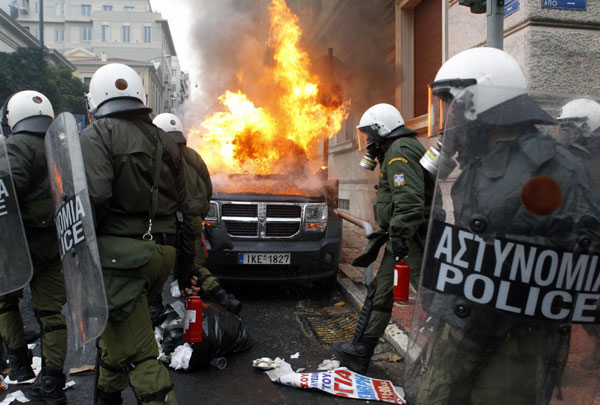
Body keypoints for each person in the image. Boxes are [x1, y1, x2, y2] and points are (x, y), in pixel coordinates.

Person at [404, 47, 600, 404]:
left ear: (478, 101)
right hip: (461, 326)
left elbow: (577, 253)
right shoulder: (483, 160)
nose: (446, 117)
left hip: (514, 340)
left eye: (450, 103)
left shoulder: (551, 167)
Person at [80, 63, 197, 405]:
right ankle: (106, 398)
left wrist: (88, 247)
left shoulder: (98, 134)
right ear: (139, 96)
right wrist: (186, 269)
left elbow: (97, 197)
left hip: (122, 258)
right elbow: (184, 212)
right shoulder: (165, 140)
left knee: (141, 353)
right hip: (163, 254)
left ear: (96, 99)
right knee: (119, 330)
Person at [331, 103, 435, 374]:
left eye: (369, 134)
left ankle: (448, 353)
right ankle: (361, 350)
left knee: (432, 296)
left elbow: (410, 201)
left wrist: (400, 236)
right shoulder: (397, 150)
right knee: (381, 290)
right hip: (404, 234)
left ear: (382, 129)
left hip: (412, 236)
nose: (368, 141)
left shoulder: (399, 152)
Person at [0, 90, 68, 403]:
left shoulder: (18, 145)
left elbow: (7, 185)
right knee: (51, 313)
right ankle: (53, 380)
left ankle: (20, 365)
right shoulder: (61, 144)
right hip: (54, 242)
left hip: (18, 244)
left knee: (6, 300)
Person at [152, 113, 241, 315]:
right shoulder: (194, 156)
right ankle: (215, 298)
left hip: (165, 222)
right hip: (192, 220)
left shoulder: (156, 157)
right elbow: (208, 188)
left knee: (158, 264)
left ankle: (157, 308)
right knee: (193, 263)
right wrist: (200, 212)